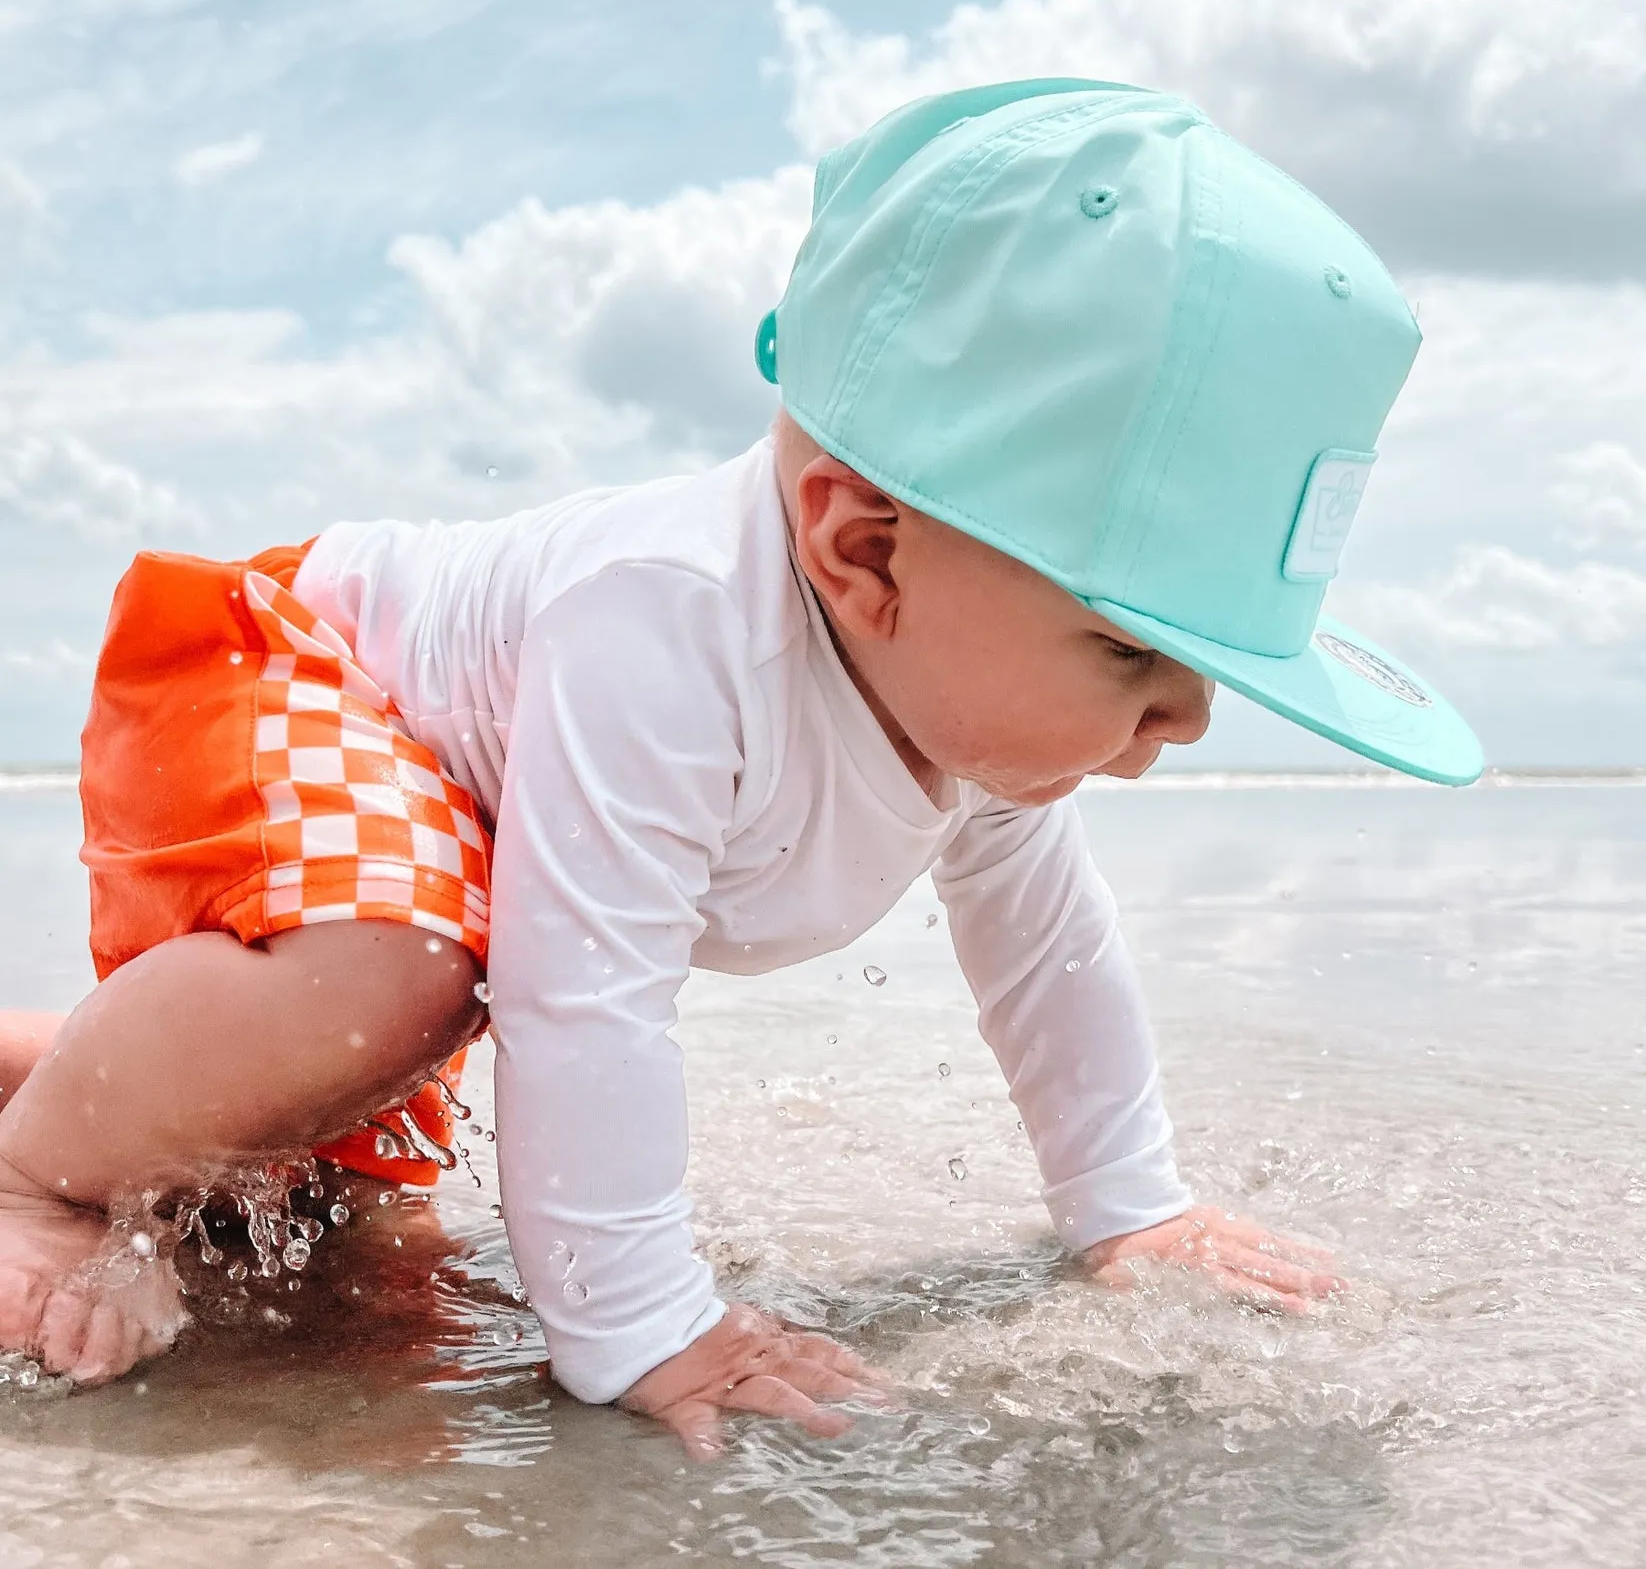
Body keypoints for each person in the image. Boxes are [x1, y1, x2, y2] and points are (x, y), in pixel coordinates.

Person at [0, 79, 1482, 1457]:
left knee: (305, 1176)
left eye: (1206, 668)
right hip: (283, 665)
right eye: (1125, 652)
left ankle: (57, 1061)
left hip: (414, 785)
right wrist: (643, 1322)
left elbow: (1048, 956)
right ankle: (35, 1176)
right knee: (393, 983)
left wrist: (1125, 1205)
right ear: (863, 548)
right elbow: (581, 993)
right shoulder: (668, 626)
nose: (1186, 721)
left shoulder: (958, 709)